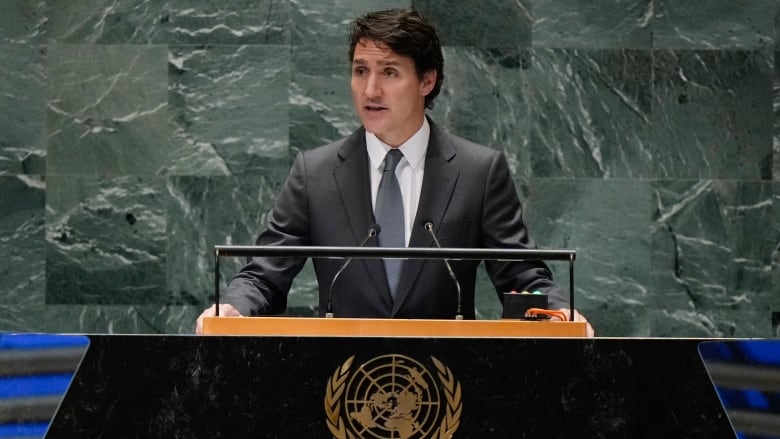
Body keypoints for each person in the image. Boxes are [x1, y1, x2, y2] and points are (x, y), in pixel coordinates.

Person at [196, 8, 593, 336]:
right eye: (359, 71)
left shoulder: (478, 172)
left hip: (447, 389)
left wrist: (561, 313)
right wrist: (233, 307)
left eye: (388, 72)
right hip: (339, 386)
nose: (370, 91)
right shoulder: (314, 173)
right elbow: (264, 274)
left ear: (427, 80)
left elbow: (521, 275)